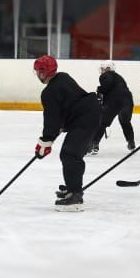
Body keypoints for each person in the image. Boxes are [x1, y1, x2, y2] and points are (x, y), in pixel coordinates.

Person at [33, 55, 102, 212]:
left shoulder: (49, 92)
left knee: (70, 154)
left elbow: (52, 120)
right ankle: (72, 186)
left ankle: (75, 196)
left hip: (85, 119)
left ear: (44, 72)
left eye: (39, 71)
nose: (37, 75)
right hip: (90, 113)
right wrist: (52, 135)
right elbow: (68, 105)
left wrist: (45, 142)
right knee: (71, 153)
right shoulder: (63, 77)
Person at [88, 59, 136, 155]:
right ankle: (131, 142)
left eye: (103, 69)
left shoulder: (106, 75)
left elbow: (107, 86)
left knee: (102, 122)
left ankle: (94, 144)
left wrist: (99, 90)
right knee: (125, 121)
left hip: (114, 100)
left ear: (109, 68)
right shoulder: (119, 77)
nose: (101, 71)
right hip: (127, 99)